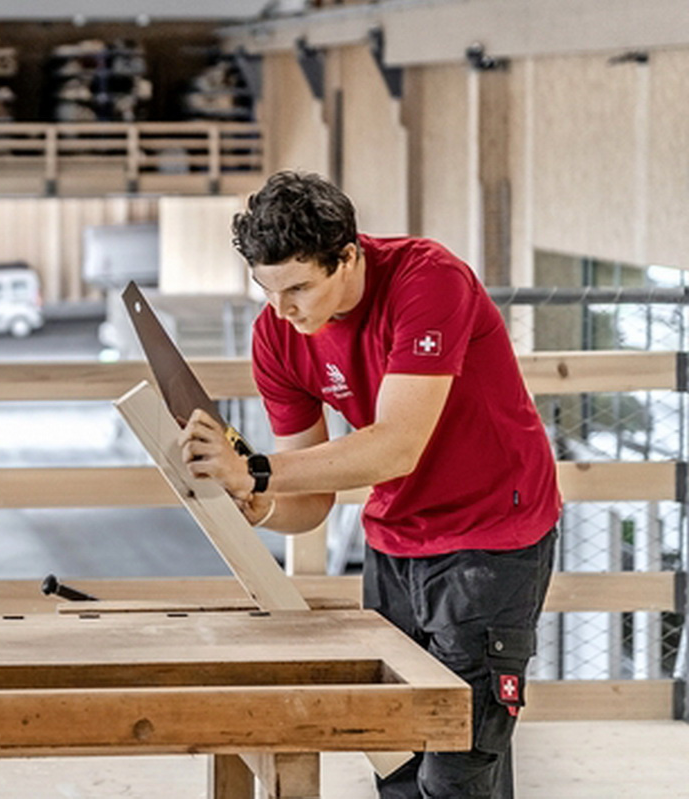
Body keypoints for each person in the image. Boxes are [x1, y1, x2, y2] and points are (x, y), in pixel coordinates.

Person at [179, 171, 560, 799]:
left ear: (348, 256)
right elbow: (309, 502)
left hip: (490, 537)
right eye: (266, 291)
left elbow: (396, 445)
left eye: (299, 287)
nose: (283, 309)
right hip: (396, 544)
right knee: (400, 762)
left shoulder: (429, 281)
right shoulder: (277, 334)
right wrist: (256, 503)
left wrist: (255, 467)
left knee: (457, 766)